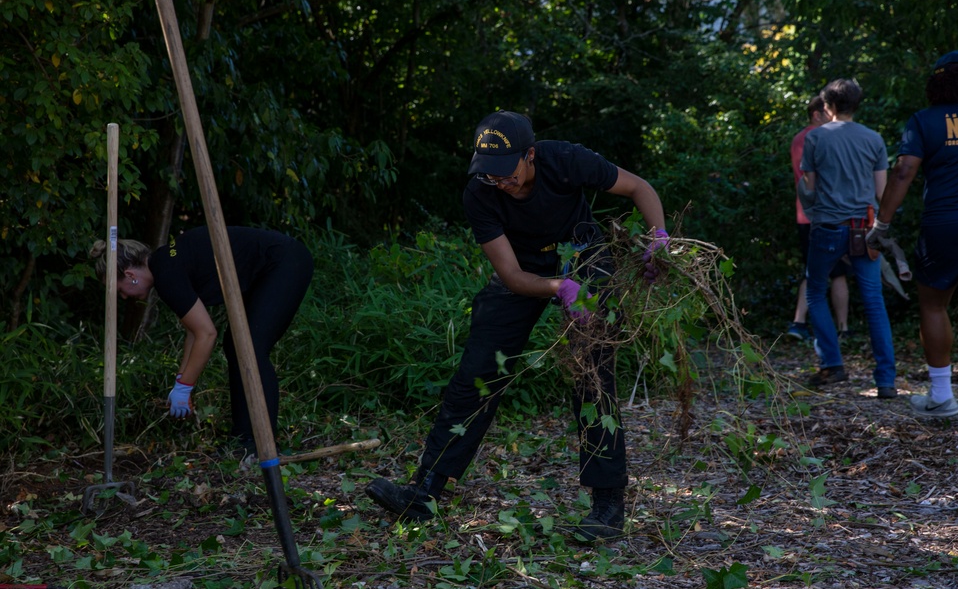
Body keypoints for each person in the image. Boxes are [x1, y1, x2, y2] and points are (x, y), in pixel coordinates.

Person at [365, 110, 668, 540]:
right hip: (526, 270)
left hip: (582, 254)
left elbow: (639, 187)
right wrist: (559, 287)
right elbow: (510, 275)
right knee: (477, 371)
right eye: (490, 175)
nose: (500, 182)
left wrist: (658, 241)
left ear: (529, 156)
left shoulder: (563, 159)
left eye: (507, 173)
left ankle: (607, 504)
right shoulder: (480, 193)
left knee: (592, 370)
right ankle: (426, 490)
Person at [90, 226, 314, 455]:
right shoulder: (165, 265)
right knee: (238, 346)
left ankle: (262, 445)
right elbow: (194, 331)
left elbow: (207, 334)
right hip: (274, 265)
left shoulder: (166, 273)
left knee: (251, 348)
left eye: (120, 291)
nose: (124, 297)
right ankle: (245, 439)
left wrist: (184, 387)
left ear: (130, 275)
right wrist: (181, 380)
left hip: (283, 262)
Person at [867, 50, 958, 431]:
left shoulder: (924, 120)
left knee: (933, 305)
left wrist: (883, 224)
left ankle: (942, 397)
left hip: (945, 224)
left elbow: (905, 170)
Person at [798, 79, 897, 398]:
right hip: (865, 229)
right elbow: (883, 193)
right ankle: (885, 380)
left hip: (827, 226)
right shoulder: (874, 139)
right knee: (873, 301)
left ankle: (832, 364)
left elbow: (809, 190)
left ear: (828, 106)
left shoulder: (815, 139)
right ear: (856, 104)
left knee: (815, 290)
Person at [787, 95, 850, 342]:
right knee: (837, 273)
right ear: (817, 114)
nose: (832, 117)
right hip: (823, 215)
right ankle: (840, 328)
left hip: (807, 215)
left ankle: (800, 322)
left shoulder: (799, 139)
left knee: (816, 271)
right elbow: (816, 178)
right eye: (828, 112)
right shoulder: (814, 138)